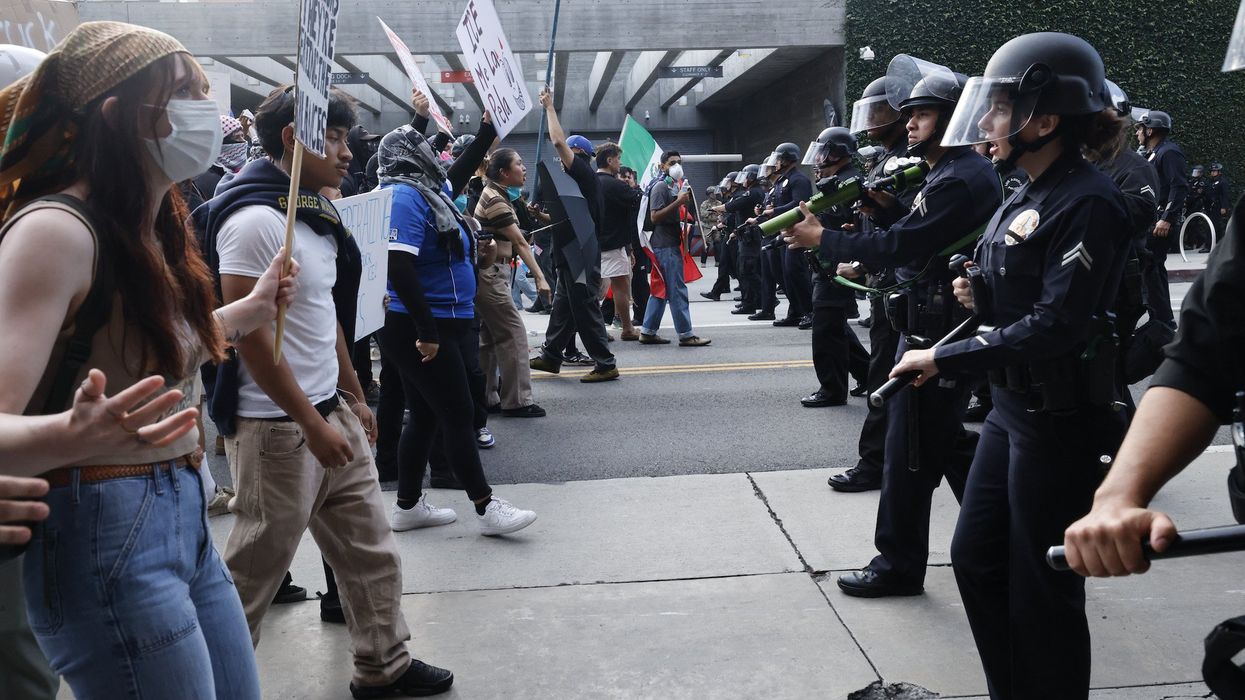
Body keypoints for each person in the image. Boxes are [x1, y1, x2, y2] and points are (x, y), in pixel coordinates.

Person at [0, 21, 309, 698]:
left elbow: (153, 352)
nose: (207, 108)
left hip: (182, 515)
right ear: (117, 115)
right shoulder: (55, 231)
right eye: (184, 92)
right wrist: (66, 436)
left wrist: (249, 312)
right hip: (103, 527)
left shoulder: (150, 225)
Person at [889, 33, 1133, 698]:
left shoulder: (1084, 199)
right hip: (1009, 411)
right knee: (975, 560)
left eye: (998, 110)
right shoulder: (1024, 190)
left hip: (1055, 423)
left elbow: (1058, 324)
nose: (985, 124)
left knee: (1042, 587)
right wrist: (981, 292)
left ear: (1044, 119)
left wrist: (945, 356)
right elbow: (1021, 298)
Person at [202, 85, 454, 697]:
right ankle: (207, 684)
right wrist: (311, 424)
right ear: (293, 139)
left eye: (348, 138)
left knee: (372, 554)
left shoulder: (314, 213)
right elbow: (251, 339)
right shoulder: (254, 221)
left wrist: (352, 396)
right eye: (335, 138)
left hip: (327, 415)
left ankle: (383, 666)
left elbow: (325, 319)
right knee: (251, 575)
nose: (348, 152)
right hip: (277, 431)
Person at [787, 56, 1001, 598]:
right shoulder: (946, 174)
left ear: (951, 119)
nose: (908, 123)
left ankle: (899, 565)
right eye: (908, 115)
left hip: (937, 331)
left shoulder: (960, 177)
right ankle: (1007, 526)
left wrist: (825, 241)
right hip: (927, 325)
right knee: (943, 442)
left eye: (922, 115)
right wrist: (880, 206)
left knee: (908, 456)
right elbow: (910, 231)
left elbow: (906, 245)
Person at [375, 125, 538, 537]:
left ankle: (408, 505)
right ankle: (485, 507)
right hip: (421, 323)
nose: (432, 153)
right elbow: (398, 264)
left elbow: (460, 173)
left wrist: (487, 130)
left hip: (444, 317)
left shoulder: (430, 192)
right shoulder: (404, 196)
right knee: (458, 411)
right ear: (406, 157)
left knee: (427, 416)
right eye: (422, 148)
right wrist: (426, 330)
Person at [828, 76, 912, 493]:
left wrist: (858, 256)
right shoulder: (888, 157)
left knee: (887, 377)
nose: (871, 120)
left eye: (879, 111)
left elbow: (910, 231)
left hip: (906, 284)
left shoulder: (909, 161)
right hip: (891, 282)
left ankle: (875, 463)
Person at [529, 86, 623, 378]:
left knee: (583, 307)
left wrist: (549, 108)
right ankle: (551, 355)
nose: (561, 158)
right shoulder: (576, 183)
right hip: (571, 251)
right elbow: (569, 218)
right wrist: (541, 215)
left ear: (579, 153)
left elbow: (557, 142)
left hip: (579, 253)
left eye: (569, 153)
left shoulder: (582, 172)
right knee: (563, 307)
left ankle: (605, 364)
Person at [474, 147, 556, 409]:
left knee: (489, 338)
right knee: (513, 333)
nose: (524, 168)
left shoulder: (499, 196)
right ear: (503, 172)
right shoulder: (494, 198)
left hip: (494, 272)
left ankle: (488, 396)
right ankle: (518, 401)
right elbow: (519, 242)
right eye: (519, 164)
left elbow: (514, 236)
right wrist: (541, 277)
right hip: (491, 274)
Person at [800, 127, 870, 408]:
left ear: (839, 153)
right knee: (833, 325)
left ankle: (832, 389)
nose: (819, 159)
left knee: (826, 329)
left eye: (824, 151)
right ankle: (868, 374)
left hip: (837, 263)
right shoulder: (837, 179)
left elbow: (846, 220)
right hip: (829, 262)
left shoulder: (848, 181)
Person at [638, 150, 712, 347]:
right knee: (677, 290)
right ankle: (686, 334)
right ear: (662, 166)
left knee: (660, 289)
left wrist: (682, 202)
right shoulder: (661, 186)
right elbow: (655, 217)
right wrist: (678, 202)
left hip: (668, 243)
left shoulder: (674, 186)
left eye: (679, 162)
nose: (677, 166)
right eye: (672, 162)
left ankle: (648, 331)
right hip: (665, 245)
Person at [1136, 109, 1186, 326]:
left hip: (1161, 222)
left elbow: (1179, 186)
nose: (1137, 132)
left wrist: (1167, 218)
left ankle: (1163, 320)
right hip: (1153, 221)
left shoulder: (1169, 152)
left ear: (1150, 130)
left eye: (1140, 128)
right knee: (1151, 269)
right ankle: (1160, 319)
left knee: (1151, 268)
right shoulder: (1153, 153)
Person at [595, 141, 642, 341]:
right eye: (619, 159)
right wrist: (634, 186)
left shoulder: (590, 181)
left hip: (593, 244)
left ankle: (599, 329)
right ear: (610, 159)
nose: (620, 163)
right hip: (613, 244)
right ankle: (627, 328)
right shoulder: (614, 185)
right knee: (620, 287)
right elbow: (637, 198)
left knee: (595, 291)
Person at [1208, 162, 1231, 247]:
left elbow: (1225, 195)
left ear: (1219, 172)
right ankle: (1213, 244)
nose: (1213, 172)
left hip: (1219, 206)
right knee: (1212, 225)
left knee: (1219, 225)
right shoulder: (1211, 181)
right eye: (1212, 171)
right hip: (1212, 206)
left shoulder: (1223, 182)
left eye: (1215, 171)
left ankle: (1218, 244)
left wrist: (1224, 207)